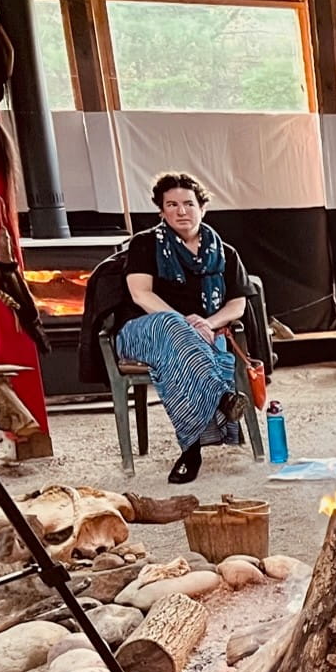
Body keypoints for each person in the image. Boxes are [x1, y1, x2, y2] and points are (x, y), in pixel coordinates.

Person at [116, 172, 253, 485]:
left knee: (180, 354)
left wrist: (207, 322)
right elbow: (141, 294)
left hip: (199, 335)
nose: (181, 211)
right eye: (172, 204)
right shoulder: (145, 244)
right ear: (161, 211)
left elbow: (237, 305)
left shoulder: (225, 253)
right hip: (143, 331)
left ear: (202, 208)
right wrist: (185, 322)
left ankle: (191, 450)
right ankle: (221, 397)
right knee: (170, 324)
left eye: (188, 204)